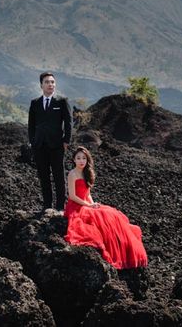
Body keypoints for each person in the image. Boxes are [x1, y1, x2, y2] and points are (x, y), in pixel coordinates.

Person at [64, 146, 148, 269]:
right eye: (78, 158)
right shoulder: (72, 174)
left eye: (84, 158)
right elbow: (72, 196)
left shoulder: (86, 173)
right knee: (98, 219)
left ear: (87, 160)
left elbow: (88, 194)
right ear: (74, 160)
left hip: (87, 204)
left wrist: (93, 204)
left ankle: (125, 253)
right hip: (76, 206)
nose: (81, 161)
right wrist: (89, 205)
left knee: (110, 214)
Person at [28, 72, 73, 211]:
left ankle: (60, 207)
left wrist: (66, 140)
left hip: (57, 145)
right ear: (41, 85)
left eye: (53, 82)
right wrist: (33, 142)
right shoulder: (35, 103)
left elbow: (69, 122)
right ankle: (47, 206)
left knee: (59, 177)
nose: (50, 84)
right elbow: (31, 124)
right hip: (39, 146)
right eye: (47, 82)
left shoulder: (61, 101)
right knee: (44, 177)